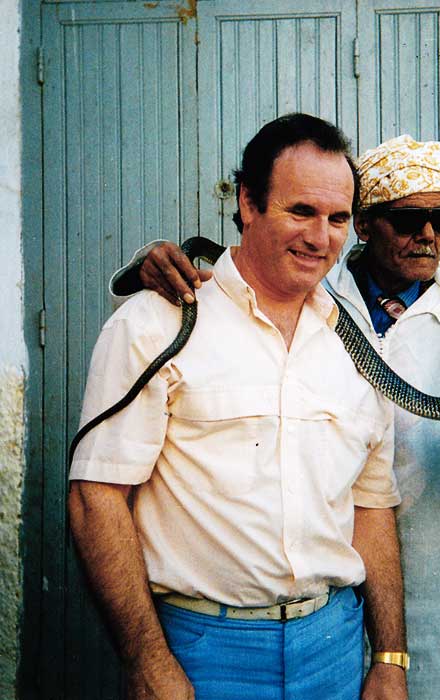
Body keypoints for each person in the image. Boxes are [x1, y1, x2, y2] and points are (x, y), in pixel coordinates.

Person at [123, 133, 440, 700]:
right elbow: (231, 279)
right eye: (409, 219)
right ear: (365, 226)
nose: (429, 235)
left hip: (429, 574)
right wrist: (157, 262)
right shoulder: (312, 289)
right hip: (316, 592)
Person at [69, 114, 410, 700]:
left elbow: (371, 509)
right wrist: (148, 662)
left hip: (333, 646)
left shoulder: (357, 347)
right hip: (202, 650)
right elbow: (94, 498)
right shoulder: (157, 323)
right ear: (249, 203)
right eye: (300, 211)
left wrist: (389, 658)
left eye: (337, 219)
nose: (320, 237)